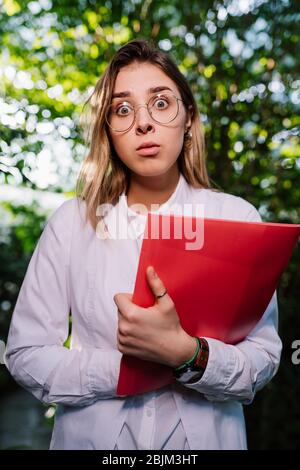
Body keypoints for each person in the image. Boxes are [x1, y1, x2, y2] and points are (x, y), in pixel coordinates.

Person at [5, 38, 282, 450]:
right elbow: (25, 354)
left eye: (161, 103)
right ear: (109, 133)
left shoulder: (236, 217)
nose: (144, 123)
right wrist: (126, 369)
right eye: (122, 109)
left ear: (188, 116)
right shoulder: (71, 224)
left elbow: (264, 357)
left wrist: (189, 355)